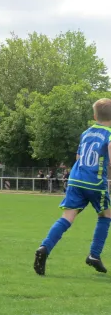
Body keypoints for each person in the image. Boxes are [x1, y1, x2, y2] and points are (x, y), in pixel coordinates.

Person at [34, 98, 111, 276]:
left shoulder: (86, 133)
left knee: (67, 217)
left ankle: (44, 247)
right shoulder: (109, 134)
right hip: (95, 182)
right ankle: (94, 254)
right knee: (106, 215)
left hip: (76, 180)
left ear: (94, 115)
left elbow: (78, 157)